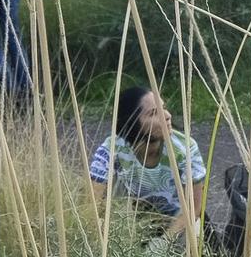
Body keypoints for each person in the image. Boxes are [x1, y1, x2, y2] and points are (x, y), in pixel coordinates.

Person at [88, 84, 207, 241]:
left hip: (179, 222)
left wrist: (162, 244)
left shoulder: (185, 148)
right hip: (133, 222)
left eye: (163, 108)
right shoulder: (112, 149)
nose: (167, 115)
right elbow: (92, 202)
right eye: (153, 113)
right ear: (132, 122)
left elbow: (194, 208)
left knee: (193, 239)